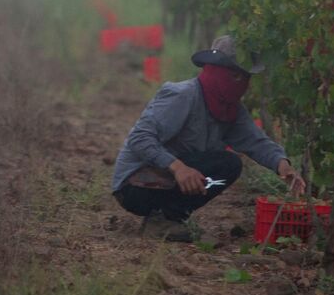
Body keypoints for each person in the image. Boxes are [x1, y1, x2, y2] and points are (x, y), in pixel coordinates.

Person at [111, 35, 305, 241]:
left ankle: (170, 218)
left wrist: (282, 165)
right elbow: (139, 138)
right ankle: (161, 219)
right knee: (223, 163)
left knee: (227, 166)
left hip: (168, 179)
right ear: (216, 71)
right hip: (134, 186)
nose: (241, 83)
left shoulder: (230, 109)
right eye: (235, 75)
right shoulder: (183, 95)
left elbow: (256, 141)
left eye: (245, 77)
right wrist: (178, 168)